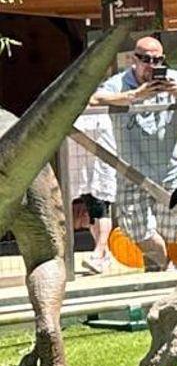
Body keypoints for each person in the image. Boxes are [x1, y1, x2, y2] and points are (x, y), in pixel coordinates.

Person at [89, 35, 177, 271]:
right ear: (134, 59)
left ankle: (156, 276)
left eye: (157, 60)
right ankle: (167, 270)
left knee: (169, 232)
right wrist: (135, 96)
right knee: (138, 231)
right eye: (145, 59)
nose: (152, 65)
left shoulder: (174, 79)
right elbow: (95, 99)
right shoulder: (120, 82)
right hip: (132, 173)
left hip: (169, 172)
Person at [73, 108, 118, 273]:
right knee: (92, 211)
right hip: (82, 163)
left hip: (100, 164)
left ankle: (99, 253)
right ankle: (104, 255)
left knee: (101, 209)